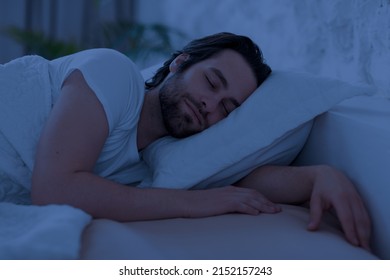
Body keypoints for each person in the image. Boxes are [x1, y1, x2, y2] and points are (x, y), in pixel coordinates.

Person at [25, 32, 370, 251]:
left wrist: (320, 176)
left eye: (227, 107)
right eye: (211, 82)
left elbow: (243, 181)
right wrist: (197, 203)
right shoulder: (115, 75)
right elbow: (53, 190)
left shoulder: (160, 156)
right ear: (179, 63)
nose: (210, 105)